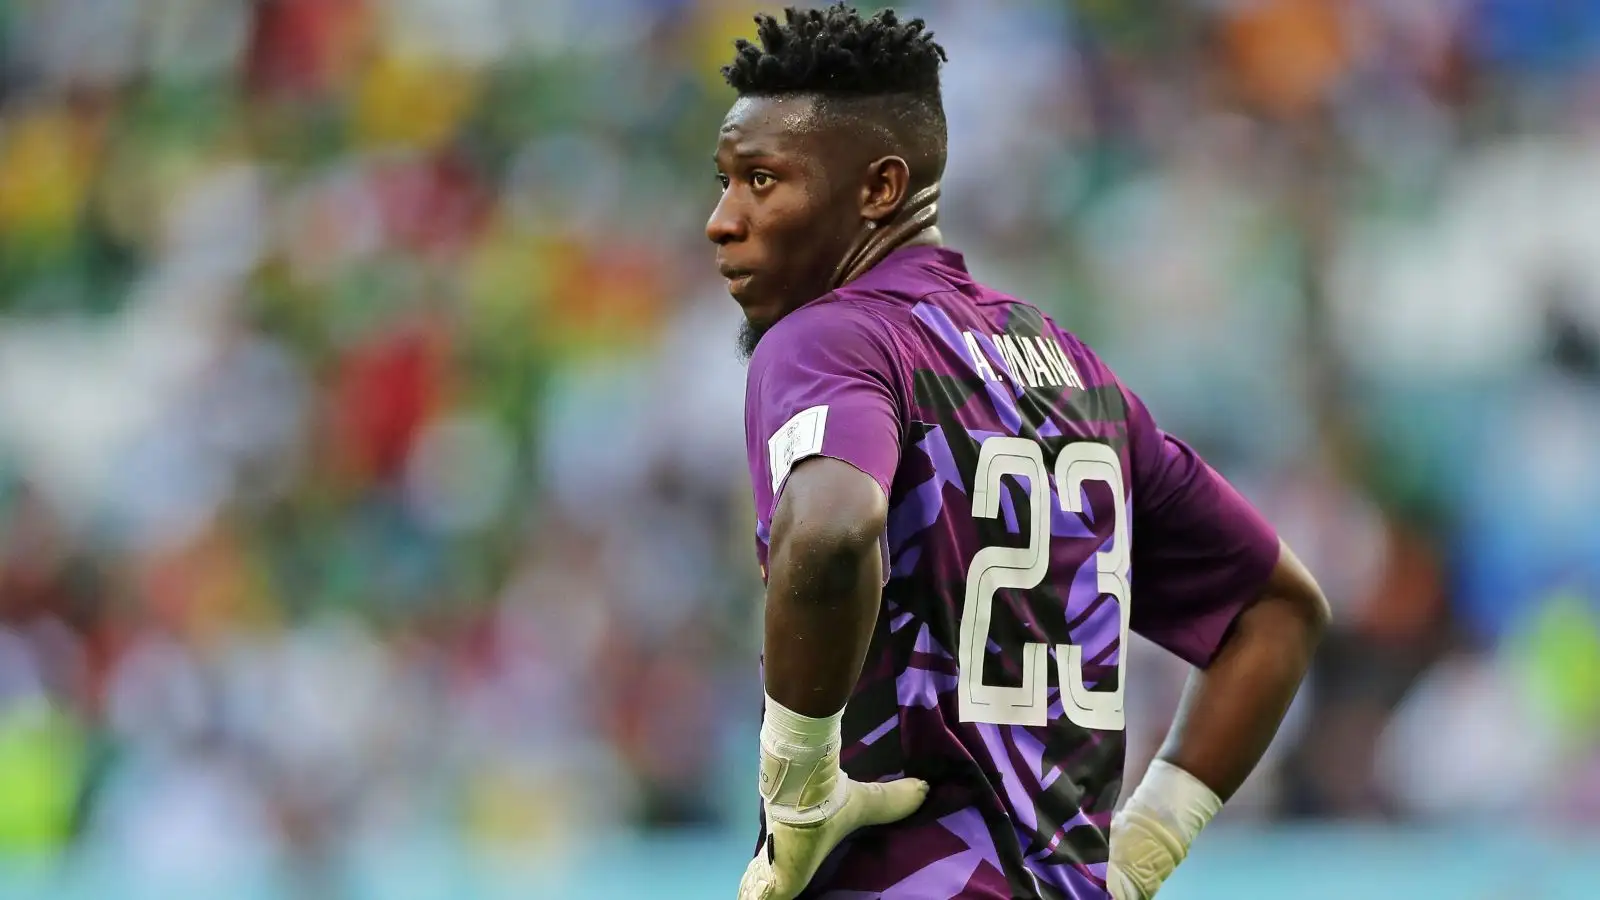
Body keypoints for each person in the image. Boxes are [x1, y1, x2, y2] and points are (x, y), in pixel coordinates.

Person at [707, 6, 1330, 899]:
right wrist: (1148, 842)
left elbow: (835, 526)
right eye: (724, 181)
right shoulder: (1074, 372)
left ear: (880, 189)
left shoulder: (829, 340)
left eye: (762, 181)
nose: (721, 220)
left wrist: (799, 778)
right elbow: (1275, 611)